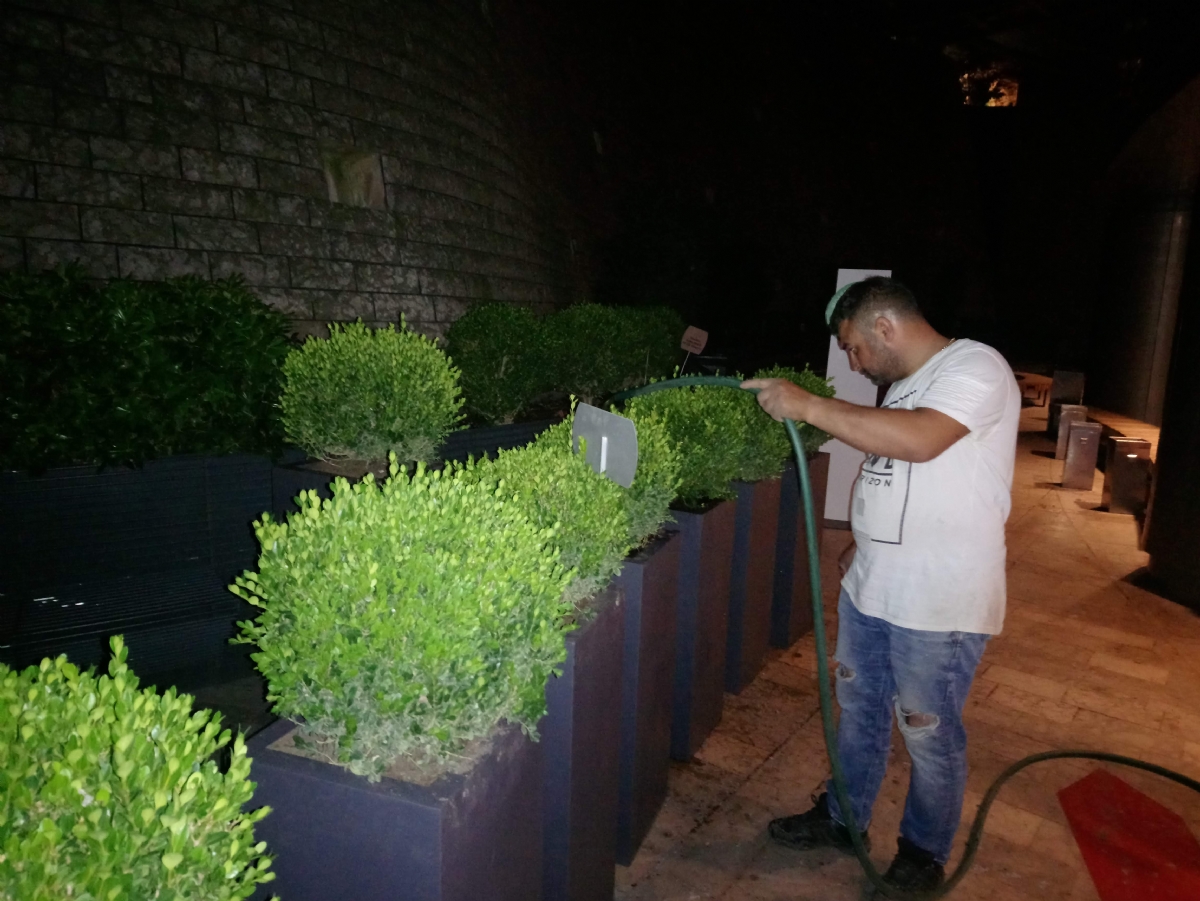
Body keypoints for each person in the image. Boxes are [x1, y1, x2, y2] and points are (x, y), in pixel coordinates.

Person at [741, 276, 1021, 895]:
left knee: (928, 732)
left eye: (853, 347)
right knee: (860, 713)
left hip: (938, 602)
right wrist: (861, 542)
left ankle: (923, 854)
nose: (853, 361)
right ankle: (844, 820)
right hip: (872, 588)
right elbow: (892, 466)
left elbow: (919, 441)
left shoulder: (976, 367)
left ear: (885, 327)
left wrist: (809, 405)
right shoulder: (905, 387)